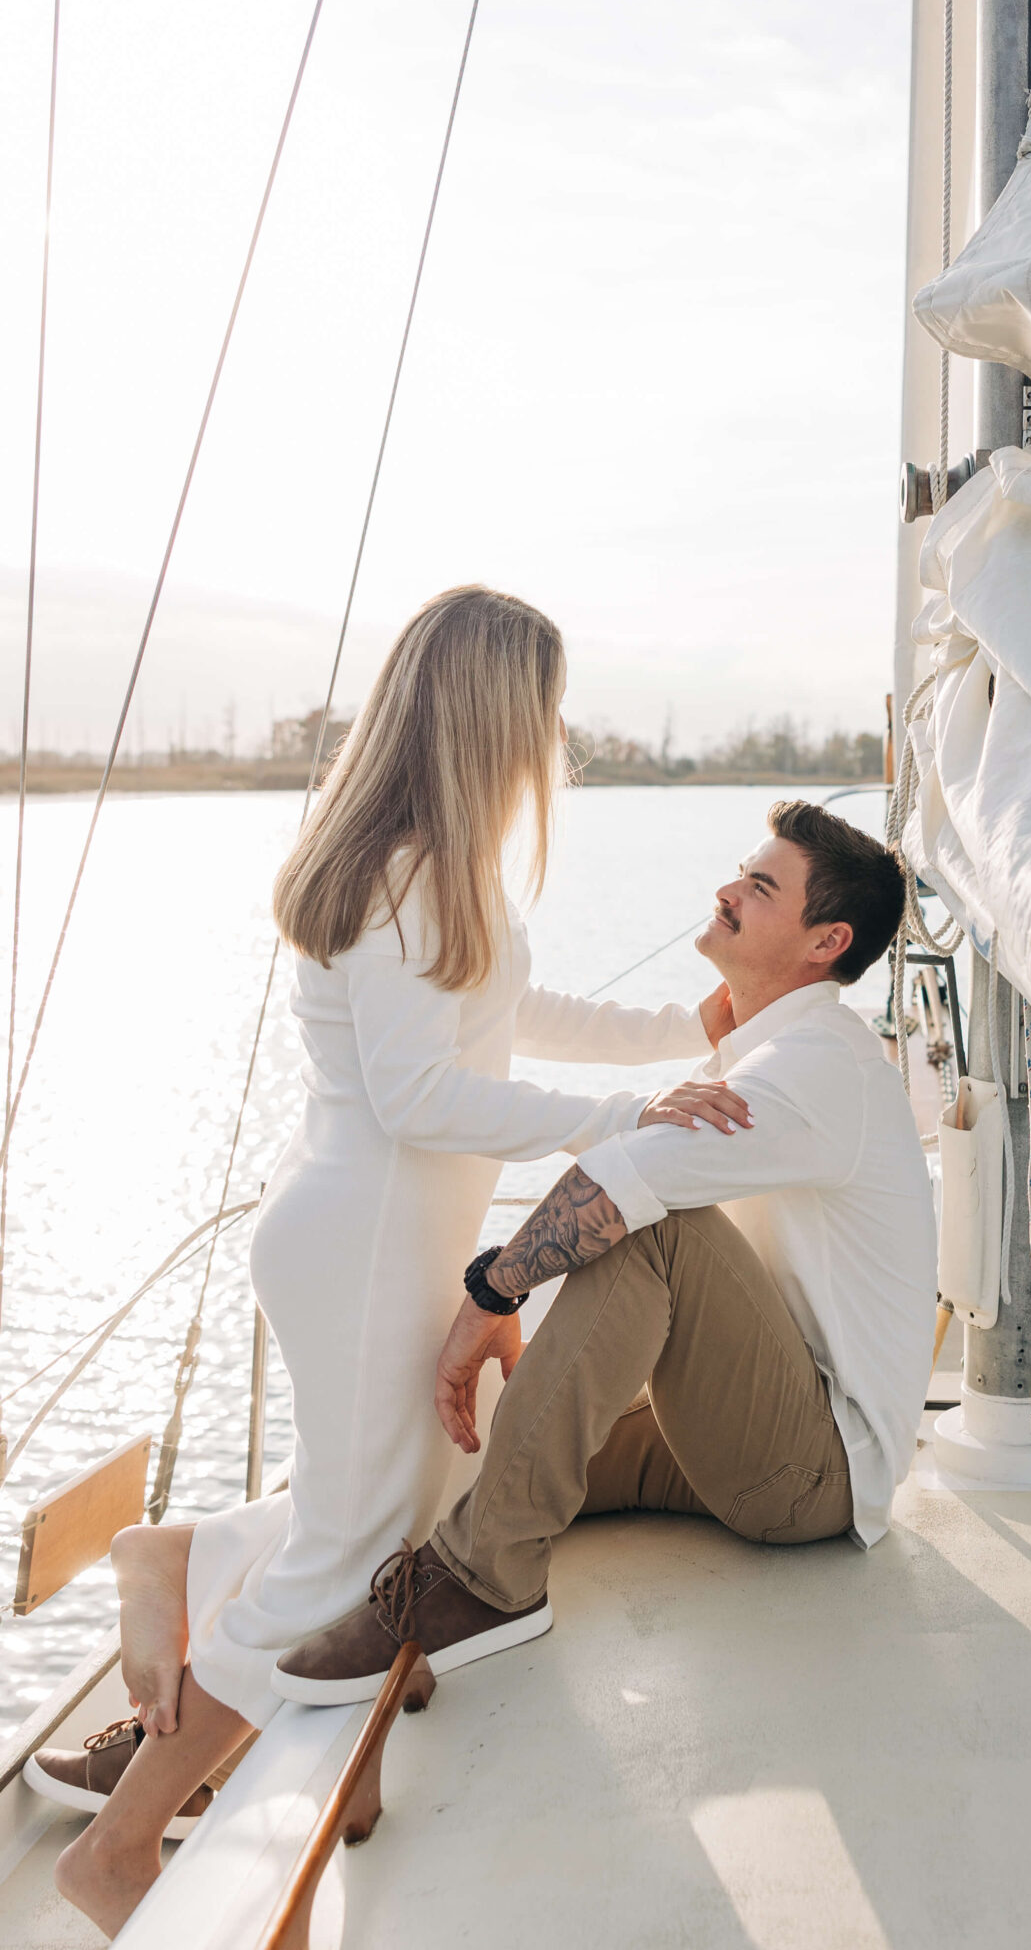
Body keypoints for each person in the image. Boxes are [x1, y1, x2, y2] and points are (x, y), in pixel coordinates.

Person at [38, 586, 748, 1937]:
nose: (554, 733)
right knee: (341, 1560)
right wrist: (620, 1121)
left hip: (384, 1234)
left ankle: (175, 1551)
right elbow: (423, 1098)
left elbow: (502, 1012)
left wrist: (678, 1029)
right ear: (490, 713)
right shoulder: (405, 872)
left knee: (412, 1491)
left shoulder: (436, 867)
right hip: (364, 1241)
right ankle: (119, 1848)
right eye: (541, 707)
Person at [266, 798, 937, 1703]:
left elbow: (622, 1182)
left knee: (654, 1228)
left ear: (827, 942)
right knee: (457, 1459)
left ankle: (483, 1584)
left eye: (761, 886)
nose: (727, 891)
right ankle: (214, 1561)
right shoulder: (760, 1053)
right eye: (741, 872)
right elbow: (560, 1057)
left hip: (810, 1475)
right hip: (738, 1429)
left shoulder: (816, 1066)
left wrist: (490, 1298)